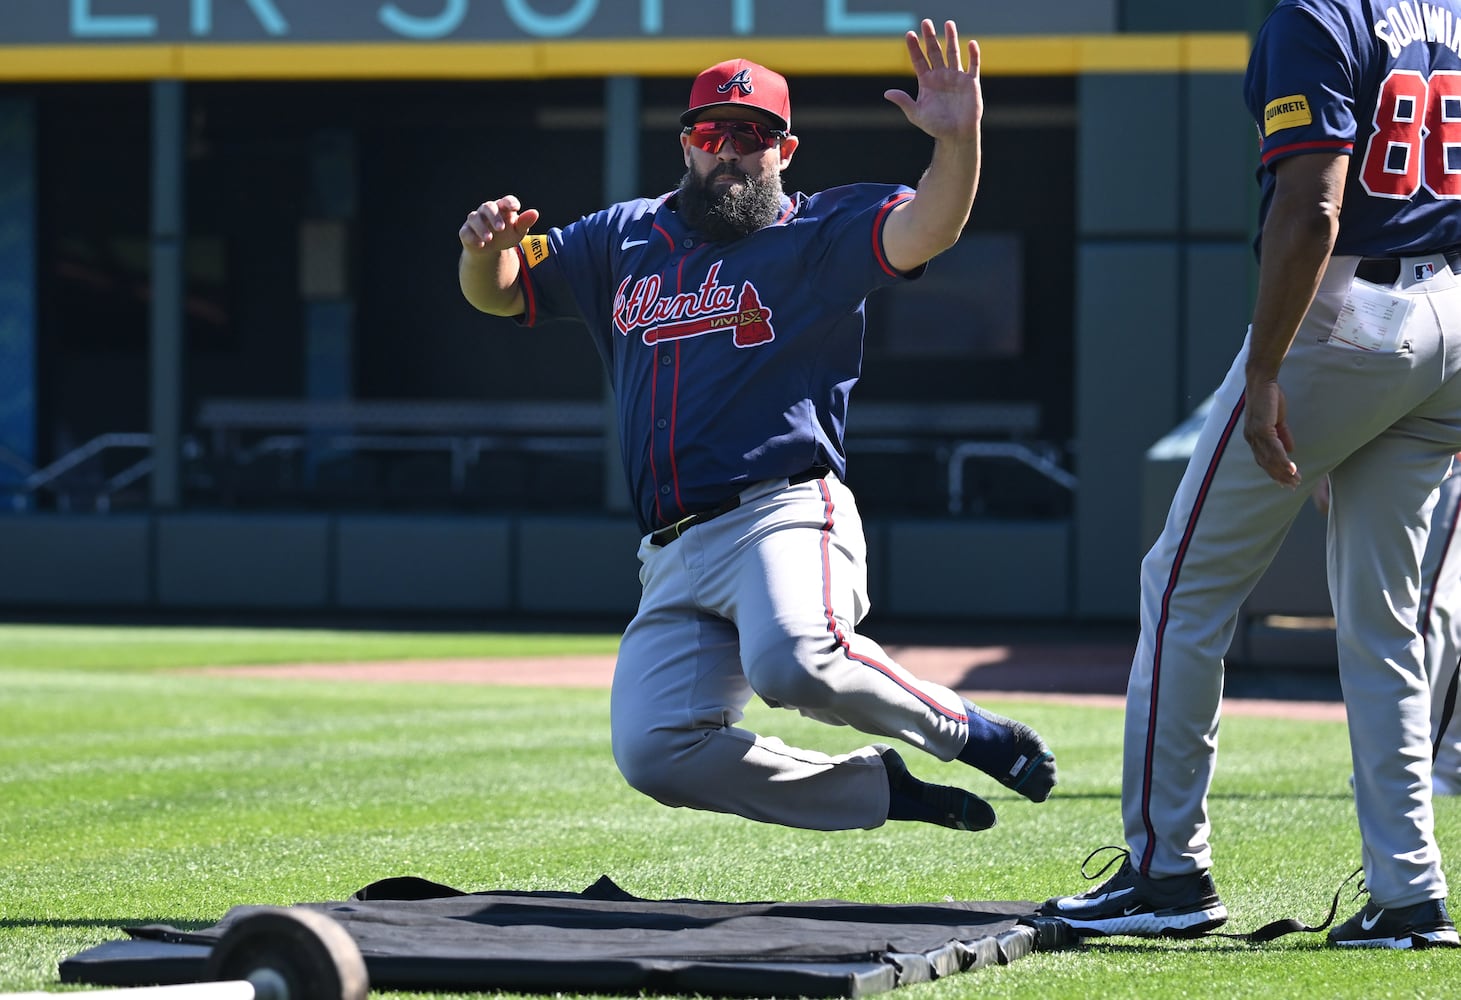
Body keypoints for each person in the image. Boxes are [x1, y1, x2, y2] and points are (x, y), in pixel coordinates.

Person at [456, 20, 1056, 836]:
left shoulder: (818, 234)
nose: (729, 150)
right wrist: (482, 251)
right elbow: (501, 293)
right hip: (669, 547)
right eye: (713, 132)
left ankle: (973, 731)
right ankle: (875, 792)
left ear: (785, 150)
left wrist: (958, 142)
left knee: (796, 660)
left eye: (752, 135)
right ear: (687, 144)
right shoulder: (619, 238)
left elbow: (932, 227)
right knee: (655, 749)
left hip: (780, 511)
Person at [1039, 0, 1461, 949]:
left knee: (1184, 588)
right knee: (1384, 621)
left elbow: (1312, 204)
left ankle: (1166, 875)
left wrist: (1269, 368)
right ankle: (1408, 895)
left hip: (1348, 311)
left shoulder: (1316, 15)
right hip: (1448, 314)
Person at [1315, 468, 1461, 796]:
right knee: (1436, 608)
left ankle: (1407, 761)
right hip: (1397, 456)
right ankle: (1445, 764)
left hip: (1449, 453)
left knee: (1425, 603)